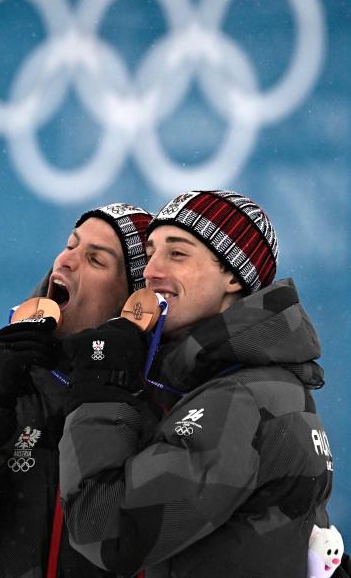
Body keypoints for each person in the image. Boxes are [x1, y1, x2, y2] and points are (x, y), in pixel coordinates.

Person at [57, 190, 341, 578]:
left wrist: (100, 389)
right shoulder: (256, 382)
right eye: (151, 252)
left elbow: (107, 530)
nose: (151, 270)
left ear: (232, 276)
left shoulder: (239, 399)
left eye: (177, 254)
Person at [0, 202, 153, 578]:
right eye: (70, 244)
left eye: (96, 260)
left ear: (131, 306)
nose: (66, 261)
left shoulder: (154, 410)